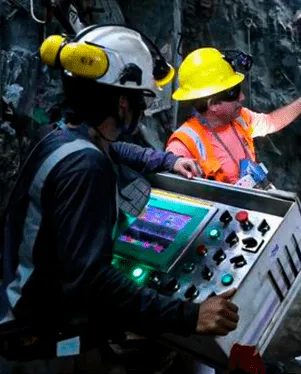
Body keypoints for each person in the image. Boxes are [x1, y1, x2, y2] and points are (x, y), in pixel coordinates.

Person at [0, 25, 239, 372]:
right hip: (39, 343)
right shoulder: (87, 168)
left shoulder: (59, 136)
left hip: (17, 309)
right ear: (123, 102)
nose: (141, 108)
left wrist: (164, 160)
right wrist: (190, 315)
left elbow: (114, 147)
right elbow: (93, 281)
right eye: (141, 99)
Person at [166, 47, 301, 185]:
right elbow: (173, 179)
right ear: (213, 104)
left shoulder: (240, 118)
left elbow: (271, 122)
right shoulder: (185, 142)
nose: (242, 97)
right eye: (234, 93)